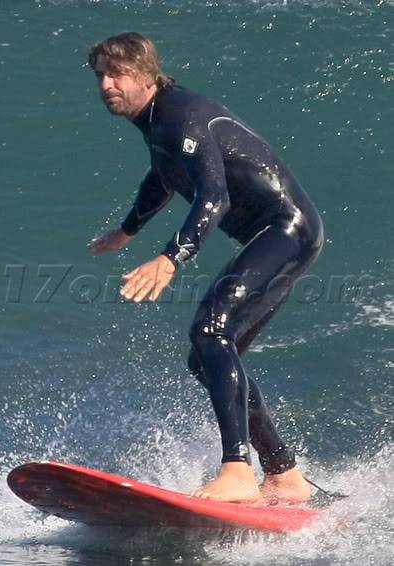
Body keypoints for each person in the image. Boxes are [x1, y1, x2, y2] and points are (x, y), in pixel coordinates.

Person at [87, 32, 324, 503]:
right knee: (207, 356)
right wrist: (128, 230)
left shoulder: (179, 118)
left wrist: (171, 257)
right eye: (101, 76)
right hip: (282, 233)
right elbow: (162, 175)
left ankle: (237, 471)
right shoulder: (158, 122)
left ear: (147, 75)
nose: (107, 84)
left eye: (118, 73)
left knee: (211, 332)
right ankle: (284, 474)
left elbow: (214, 197)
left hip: (286, 230)